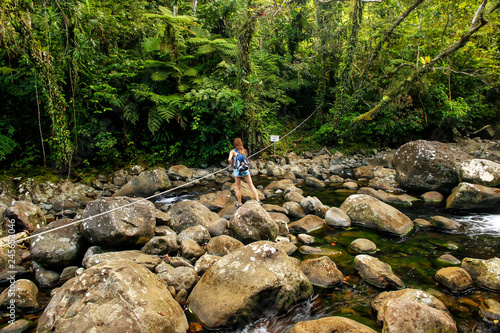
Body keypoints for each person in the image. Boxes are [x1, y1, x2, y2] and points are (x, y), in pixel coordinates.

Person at [228, 138, 260, 208]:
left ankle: (239, 204)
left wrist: (231, 164)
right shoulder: (244, 150)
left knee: (238, 188)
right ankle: (258, 200)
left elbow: (229, 159)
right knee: (251, 185)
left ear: (234, 144)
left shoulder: (232, 151)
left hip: (237, 171)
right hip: (245, 170)